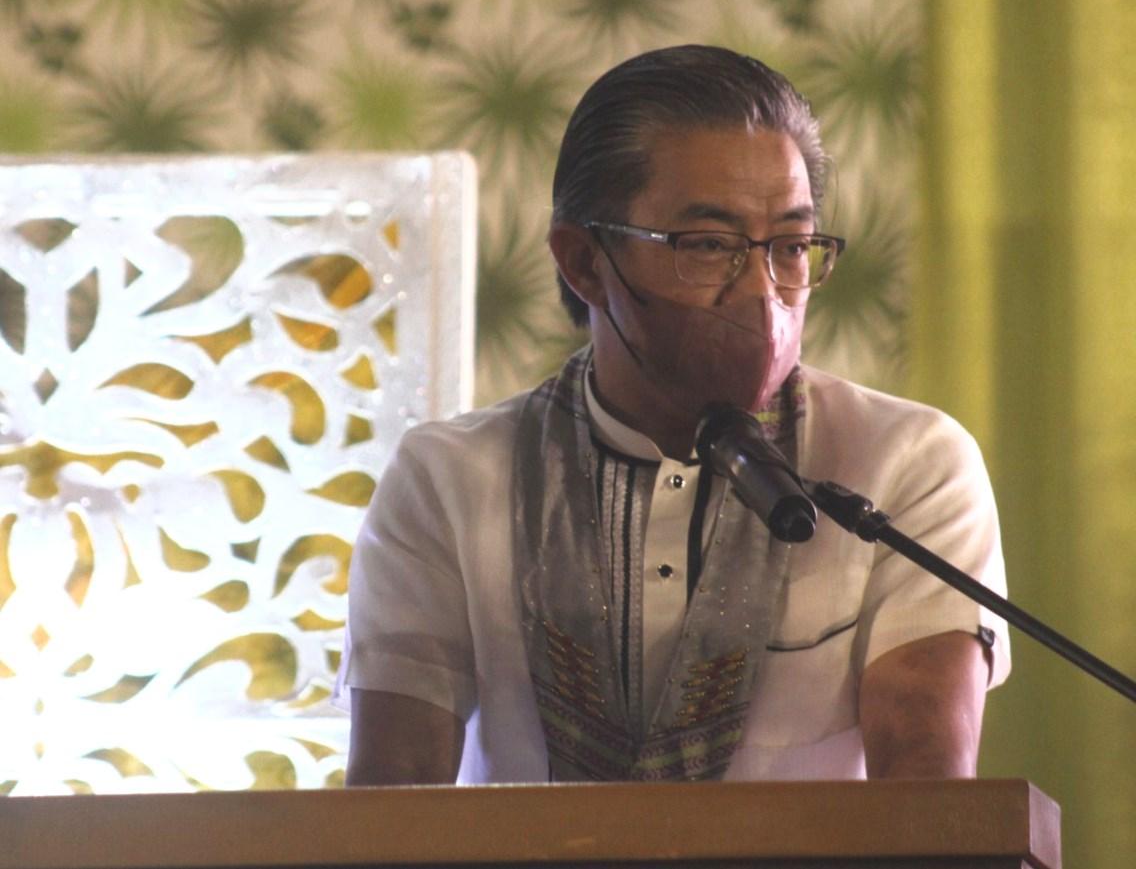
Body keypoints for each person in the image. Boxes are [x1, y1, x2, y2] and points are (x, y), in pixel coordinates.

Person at [336, 45, 1010, 785]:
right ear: (585, 262)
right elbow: (392, 811)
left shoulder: (906, 463)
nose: (762, 293)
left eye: (791, 247)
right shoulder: (448, 480)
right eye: (711, 247)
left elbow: (928, 807)